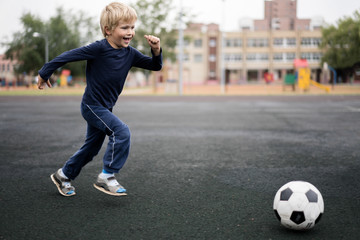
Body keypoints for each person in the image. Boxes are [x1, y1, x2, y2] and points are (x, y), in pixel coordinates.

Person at [37, 2, 162, 197]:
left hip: (105, 108)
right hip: (92, 105)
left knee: (92, 148)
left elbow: (155, 66)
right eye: (124, 27)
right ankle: (107, 176)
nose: (130, 32)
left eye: (132, 27)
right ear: (108, 30)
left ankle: (64, 175)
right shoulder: (98, 49)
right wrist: (45, 72)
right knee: (121, 132)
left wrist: (156, 50)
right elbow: (66, 56)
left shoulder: (130, 54)